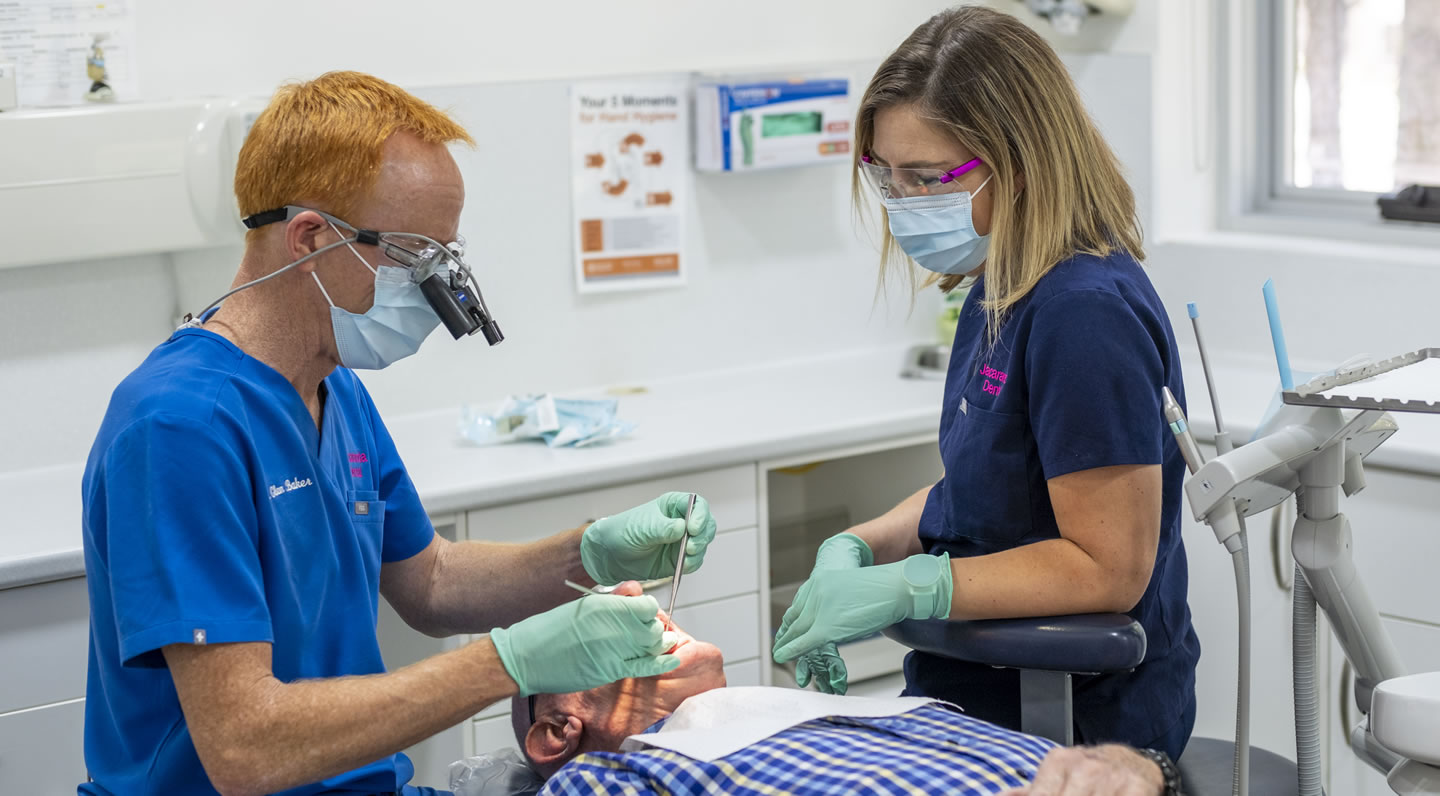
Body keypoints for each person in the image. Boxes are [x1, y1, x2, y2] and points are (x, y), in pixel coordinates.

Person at [78, 71, 718, 796]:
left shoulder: (333, 386)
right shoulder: (182, 426)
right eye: (415, 256)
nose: (434, 288)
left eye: (445, 258)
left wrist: (589, 551)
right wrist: (507, 664)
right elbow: (244, 748)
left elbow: (431, 582)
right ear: (309, 237)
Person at [772, 4, 1200, 762]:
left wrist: (914, 587)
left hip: (1073, 729)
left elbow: (1108, 568)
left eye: (926, 178)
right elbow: (989, 487)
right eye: (885, 175)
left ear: (1021, 161)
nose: (901, 204)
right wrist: (862, 545)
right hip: (976, 697)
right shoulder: (1001, 281)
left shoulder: (1083, 314)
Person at [513, 583, 1174, 796]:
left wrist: (1145, 769)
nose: (634, 595)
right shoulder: (609, 777)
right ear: (556, 731)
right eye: (588, 631)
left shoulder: (842, 715)